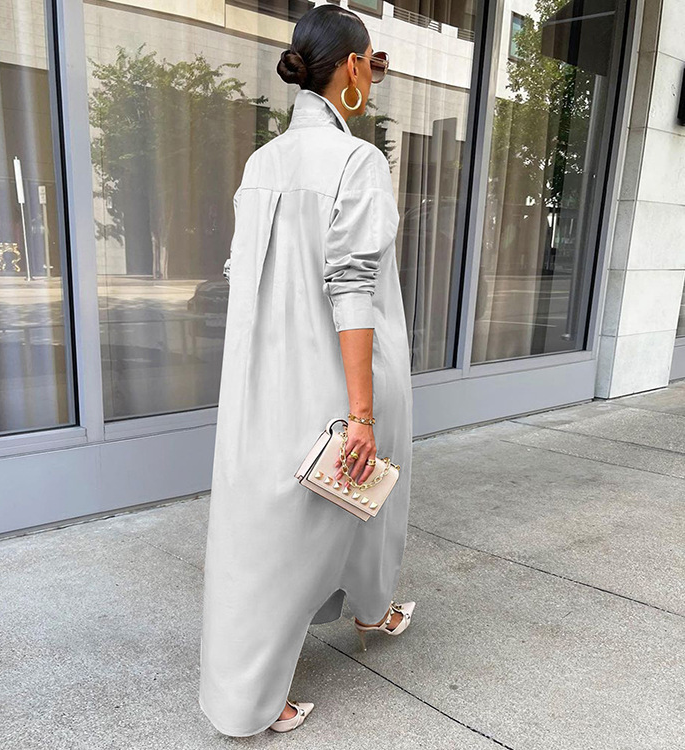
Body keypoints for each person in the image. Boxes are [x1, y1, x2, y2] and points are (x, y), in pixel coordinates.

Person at [199, 3, 415, 736]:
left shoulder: (263, 162)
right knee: (341, 502)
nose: (373, 76)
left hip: (269, 374)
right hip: (344, 373)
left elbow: (242, 274)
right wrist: (362, 412)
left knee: (289, 520)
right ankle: (251, 701)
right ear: (351, 66)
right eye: (372, 62)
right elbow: (352, 285)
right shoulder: (358, 161)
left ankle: (371, 609)